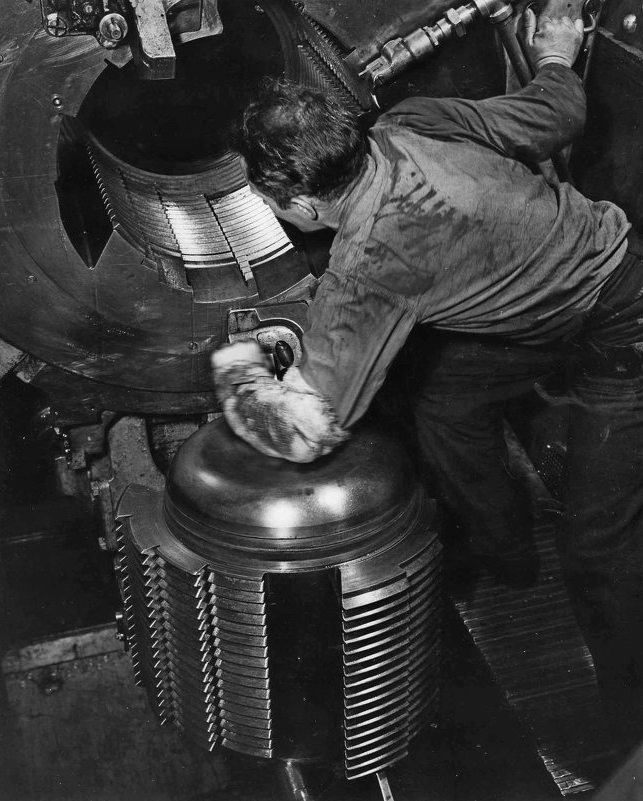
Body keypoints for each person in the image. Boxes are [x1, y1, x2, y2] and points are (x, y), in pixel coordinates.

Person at [211, 0, 643, 751]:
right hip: (554, 302)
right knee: (443, 399)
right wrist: (556, 54)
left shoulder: (373, 260)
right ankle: (505, 550)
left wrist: (237, 361)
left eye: (274, 203)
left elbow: (305, 429)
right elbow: (554, 115)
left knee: (601, 550)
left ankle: (629, 739)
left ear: (306, 202)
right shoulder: (410, 123)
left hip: (624, 325)